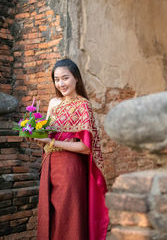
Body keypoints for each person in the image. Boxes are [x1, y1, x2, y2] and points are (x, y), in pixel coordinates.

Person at [28, 58, 109, 240]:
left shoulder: (83, 105)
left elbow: (86, 147)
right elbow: (46, 137)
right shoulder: (53, 103)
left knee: (67, 216)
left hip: (69, 168)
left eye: (65, 78)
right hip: (49, 165)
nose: (61, 83)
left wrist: (52, 143)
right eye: (57, 79)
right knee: (49, 214)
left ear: (76, 79)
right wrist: (34, 134)